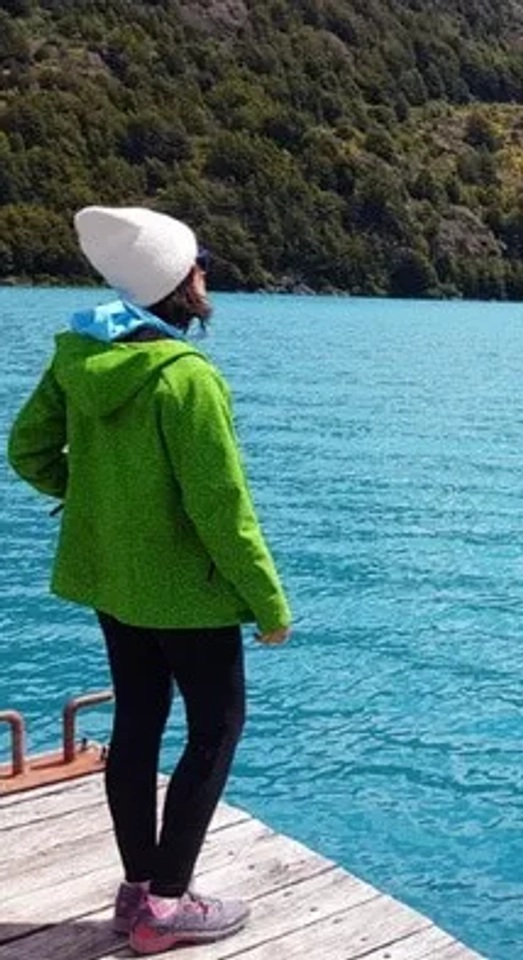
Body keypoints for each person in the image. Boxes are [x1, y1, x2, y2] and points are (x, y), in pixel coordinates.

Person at [6, 206, 292, 956]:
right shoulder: (187, 380)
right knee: (216, 727)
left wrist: (93, 499)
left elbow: (28, 452)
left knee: (137, 723)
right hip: (188, 596)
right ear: (180, 283)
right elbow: (222, 510)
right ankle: (167, 906)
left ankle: (137, 888)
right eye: (199, 265)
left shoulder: (79, 355)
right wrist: (268, 603)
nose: (205, 276)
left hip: (115, 584)